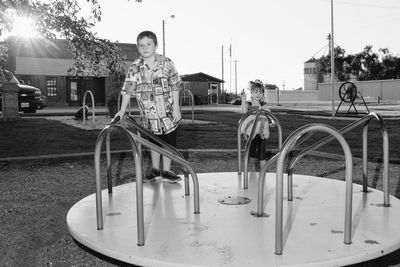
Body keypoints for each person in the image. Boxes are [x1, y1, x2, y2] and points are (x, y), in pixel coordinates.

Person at [114, 30, 182, 183]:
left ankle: (167, 171)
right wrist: (122, 110)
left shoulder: (166, 63)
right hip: (149, 115)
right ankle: (155, 170)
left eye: (148, 44)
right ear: (138, 48)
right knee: (154, 142)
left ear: (155, 45)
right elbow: (128, 89)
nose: (145, 48)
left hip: (168, 113)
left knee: (168, 143)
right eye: (141, 45)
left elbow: (176, 85)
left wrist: (177, 108)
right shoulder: (135, 67)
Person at [240, 79, 271, 171]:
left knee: (262, 153)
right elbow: (243, 111)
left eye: (261, 92)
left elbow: (269, 114)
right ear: (252, 93)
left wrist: (265, 108)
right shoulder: (249, 104)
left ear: (263, 94)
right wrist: (243, 98)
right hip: (252, 130)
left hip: (262, 131)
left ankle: (263, 172)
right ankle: (253, 169)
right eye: (256, 92)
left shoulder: (263, 105)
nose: (258, 94)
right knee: (252, 151)